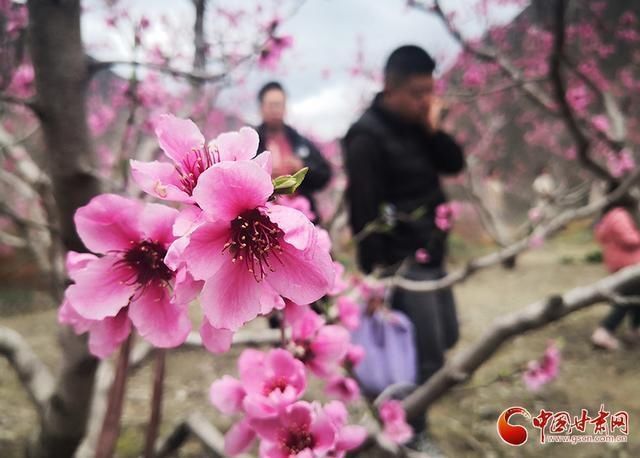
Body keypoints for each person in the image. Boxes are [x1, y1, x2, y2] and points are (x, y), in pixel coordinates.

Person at [343, 45, 465, 444]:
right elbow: (363, 211)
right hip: (401, 265)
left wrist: (433, 129)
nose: (425, 101)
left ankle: (409, 424)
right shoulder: (365, 136)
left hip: (433, 253)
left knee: (446, 337)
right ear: (390, 88)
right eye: (417, 93)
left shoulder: (417, 125)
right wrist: (374, 278)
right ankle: (414, 435)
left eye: (430, 92)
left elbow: (453, 163)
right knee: (425, 357)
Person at [255, 81, 332, 221]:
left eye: (279, 105)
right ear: (261, 108)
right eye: (271, 105)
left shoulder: (300, 141)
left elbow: (325, 173)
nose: (275, 110)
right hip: (264, 221)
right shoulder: (252, 143)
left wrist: (302, 167)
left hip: (301, 217)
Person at [591, 185, 640, 350]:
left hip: (617, 263)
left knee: (634, 297)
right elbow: (628, 239)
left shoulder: (607, 217)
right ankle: (604, 331)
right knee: (625, 301)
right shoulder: (619, 215)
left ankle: (635, 330)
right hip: (629, 263)